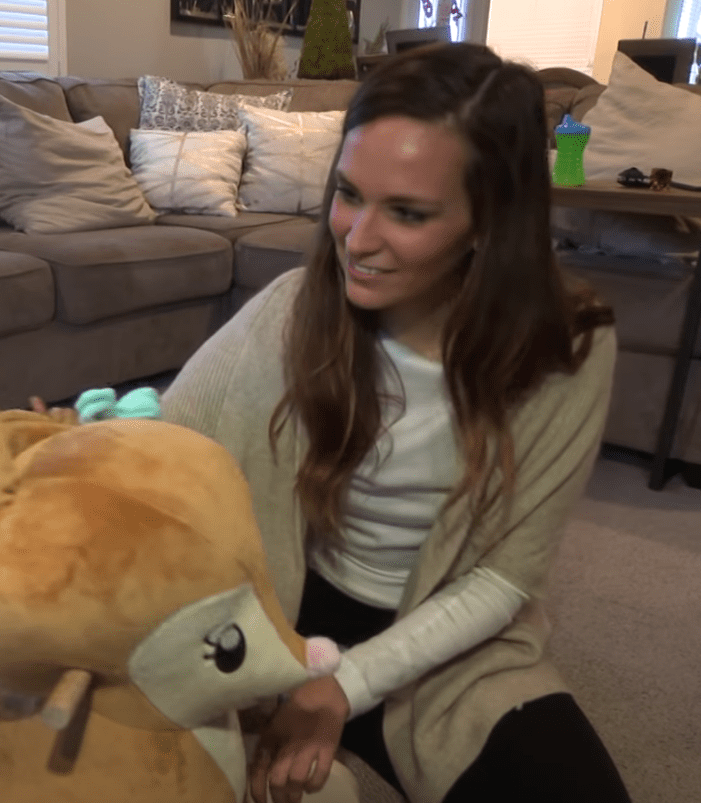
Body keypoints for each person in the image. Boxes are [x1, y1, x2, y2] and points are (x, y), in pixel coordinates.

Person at [160, 42, 632, 803]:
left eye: (407, 212)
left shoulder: (567, 346)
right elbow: (164, 451)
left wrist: (343, 688)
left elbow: (504, 578)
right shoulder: (289, 310)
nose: (358, 237)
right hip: (284, 611)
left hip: (448, 633)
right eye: (348, 193)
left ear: (490, 220)